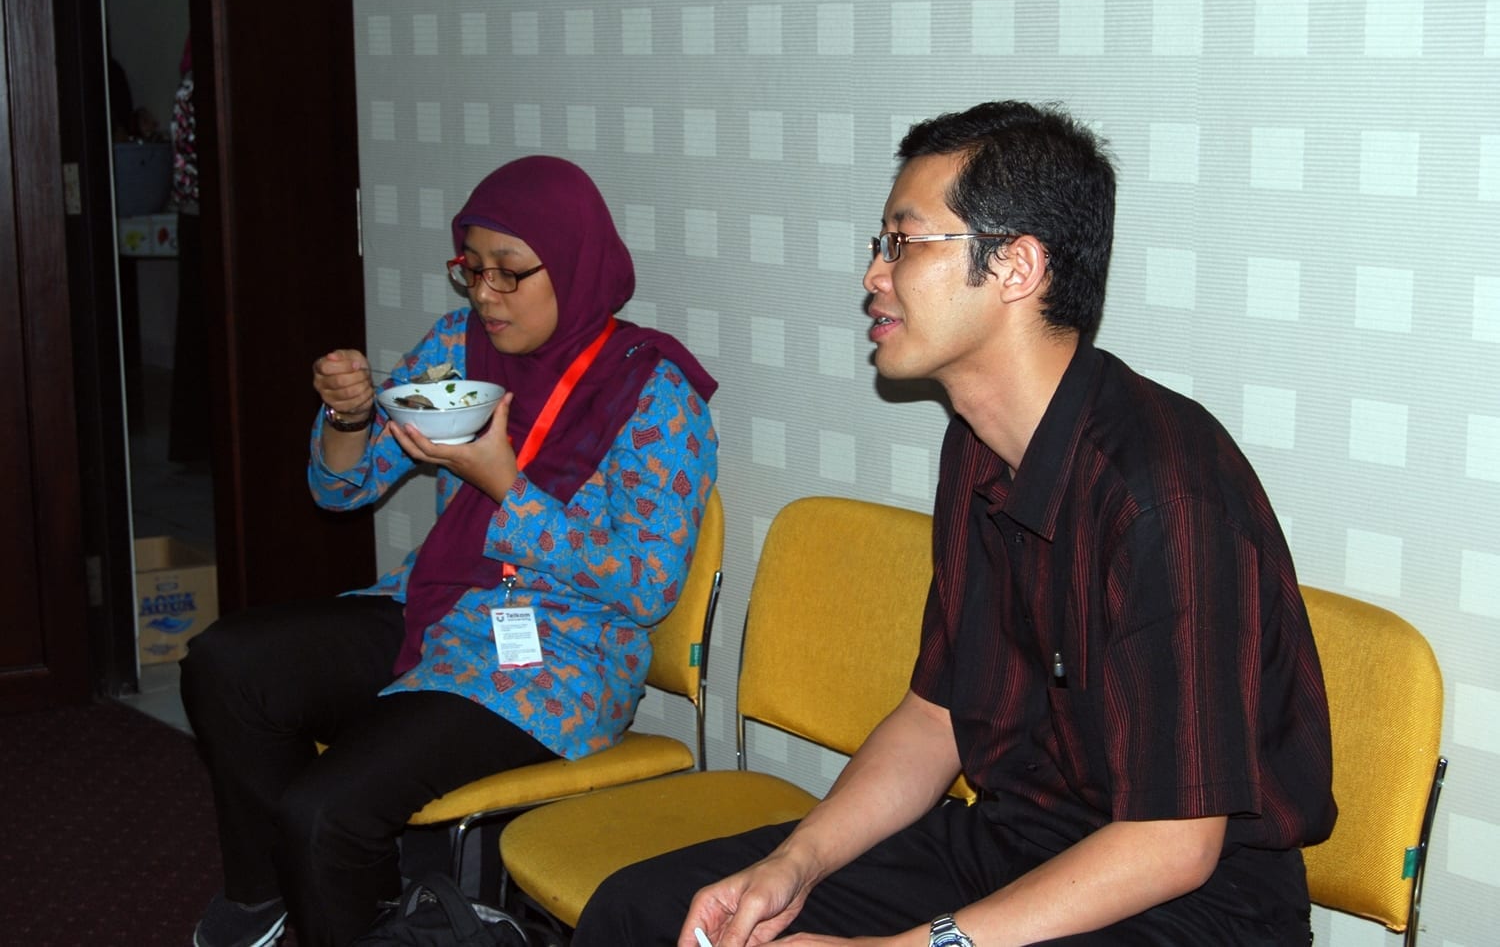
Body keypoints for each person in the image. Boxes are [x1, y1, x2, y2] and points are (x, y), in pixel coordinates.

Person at [573, 101, 1335, 947]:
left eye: (904, 242)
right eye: (881, 244)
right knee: (651, 911)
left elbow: (1174, 845)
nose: (874, 274)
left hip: (1197, 906)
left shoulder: (1165, 496)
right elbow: (934, 719)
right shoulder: (977, 449)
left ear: (1016, 266)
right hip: (1017, 842)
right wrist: (794, 865)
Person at [181, 155, 719, 947]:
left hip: (558, 661)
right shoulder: (458, 348)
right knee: (226, 664)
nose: (485, 295)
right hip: (436, 608)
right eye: (471, 269)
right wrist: (350, 418)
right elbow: (343, 490)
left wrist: (507, 486)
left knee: (324, 812)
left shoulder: (654, 394)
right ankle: (271, 895)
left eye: (509, 272)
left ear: (574, 263)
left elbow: (647, 587)